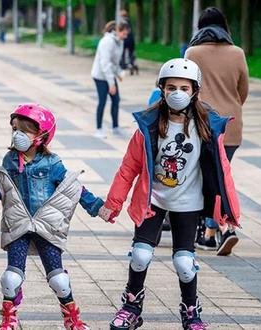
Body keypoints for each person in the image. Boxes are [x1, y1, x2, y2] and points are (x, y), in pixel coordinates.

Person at [98, 59, 240, 330]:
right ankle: (131, 306)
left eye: (184, 88)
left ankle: (191, 312)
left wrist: (229, 212)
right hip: (153, 201)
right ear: (161, 89)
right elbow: (129, 167)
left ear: (194, 91)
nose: (177, 93)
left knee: (185, 263)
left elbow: (223, 172)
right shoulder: (149, 125)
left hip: (189, 203)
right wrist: (113, 203)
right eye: (171, 87)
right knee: (140, 255)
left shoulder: (207, 126)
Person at [0, 104, 105, 330]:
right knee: (11, 278)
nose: (18, 135)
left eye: (24, 130)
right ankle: (9, 319)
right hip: (19, 226)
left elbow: (72, 188)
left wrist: (97, 207)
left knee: (59, 280)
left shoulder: (52, 163)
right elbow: (1, 190)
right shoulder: (10, 161)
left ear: (42, 135)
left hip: (46, 227)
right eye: (15, 129)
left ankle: (72, 319)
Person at [185, 7, 248, 255]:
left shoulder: (192, 52)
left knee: (205, 178)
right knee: (221, 175)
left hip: (201, 123)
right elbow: (243, 91)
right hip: (231, 125)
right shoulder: (238, 53)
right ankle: (214, 231)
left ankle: (214, 231)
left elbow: (184, 86)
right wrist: (230, 105)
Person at [91, 20, 130, 139]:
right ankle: (98, 129)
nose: (126, 36)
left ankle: (115, 127)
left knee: (116, 100)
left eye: (127, 34)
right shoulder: (106, 42)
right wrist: (111, 84)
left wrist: (119, 73)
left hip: (109, 75)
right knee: (102, 101)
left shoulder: (120, 42)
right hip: (100, 76)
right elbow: (105, 64)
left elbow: (115, 62)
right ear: (118, 31)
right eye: (124, 33)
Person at [119, 10, 138, 75]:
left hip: (125, 39)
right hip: (131, 39)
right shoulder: (129, 21)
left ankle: (123, 66)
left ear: (121, 15)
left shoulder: (122, 22)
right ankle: (132, 64)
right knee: (131, 53)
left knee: (122, 53)